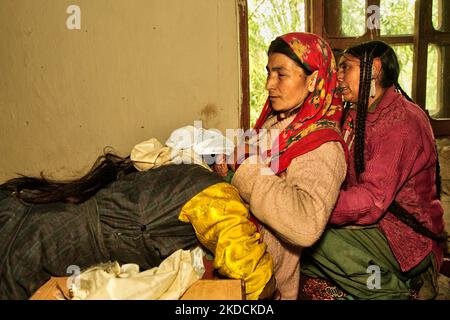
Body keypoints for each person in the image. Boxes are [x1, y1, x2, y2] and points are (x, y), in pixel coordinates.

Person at [0, 151, 274, 300]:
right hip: (56, 236)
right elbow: (247, 268)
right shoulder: (217, 195)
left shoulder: (189, 168)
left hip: (48, 217)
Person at [300, 40, 447, 300]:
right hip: (375, 228)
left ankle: (395, 291)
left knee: (310, 239)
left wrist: (314, 207)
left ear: (374, 69)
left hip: (406, 238)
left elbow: (370, 201)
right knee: (292, 250)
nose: (339, 76)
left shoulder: (402, 122)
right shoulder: (357, 113)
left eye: (346, 67)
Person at [214, 32, 348, 299]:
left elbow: (306, 224)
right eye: (268, 73)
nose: (269, 85)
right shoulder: (276, 122)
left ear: (312, 80)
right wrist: (228, 162)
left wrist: (246, 167)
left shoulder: (321, 145)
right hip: (238, 247)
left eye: (281, 74)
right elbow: (250, 160)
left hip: (265, 278)